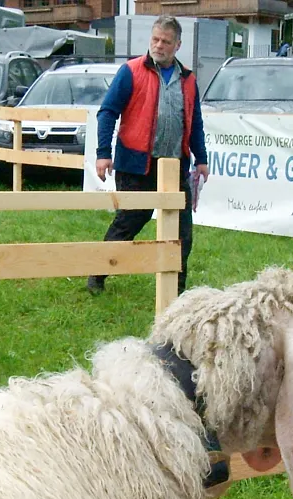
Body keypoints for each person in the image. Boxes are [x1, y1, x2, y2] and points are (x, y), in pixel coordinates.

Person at [87, 15, 208, 297]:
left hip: (175, 166)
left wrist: (201, 159)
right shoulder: (130, 71)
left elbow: (195, 123)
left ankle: (176, 292)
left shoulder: (188, 79)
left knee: (182, 234)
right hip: (136, 165)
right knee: (129, 222)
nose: (159, 45)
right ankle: (97, 274)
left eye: (166, 41)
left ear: (178, 45)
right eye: (155, 39)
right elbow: (107, 112)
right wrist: (103, 153)